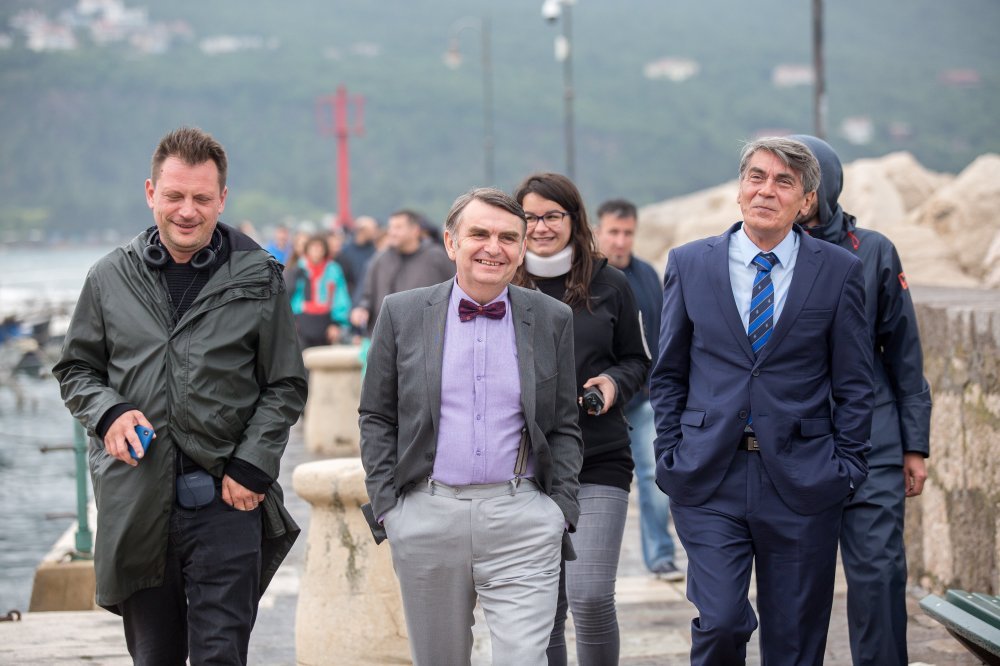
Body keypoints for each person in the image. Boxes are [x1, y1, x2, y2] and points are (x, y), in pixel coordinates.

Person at [53, 127, 308, 665]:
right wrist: (109, 412)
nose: (187, 211)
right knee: (154, 657)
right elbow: (76, 368)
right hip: (137, 497)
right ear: (151, 193)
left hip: (227, 498)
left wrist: (254, 463)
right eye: (174, 196)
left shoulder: (259, 276)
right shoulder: (108, 276)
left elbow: (285, 384)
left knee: (220, 655)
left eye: (201, 198)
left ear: (222, 199)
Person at [650, 136, 875, 665]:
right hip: (710, 474)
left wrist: (846, 468)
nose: (766, 190)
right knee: (721, 621)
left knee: (795, 643)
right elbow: (669, 372)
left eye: (783, 182)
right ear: (739, 188)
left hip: (803, 479)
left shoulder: (838, 270)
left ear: (806, 200)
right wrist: (671, 453)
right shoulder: (690, 263)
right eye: (756, 176)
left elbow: (854, 382)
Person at [359, 187, 583, 666]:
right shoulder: (401, 312)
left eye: (508, 237)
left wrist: (559, 510)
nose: (493, 248)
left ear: (522, 248)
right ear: (451, 242)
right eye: (479, 234)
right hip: (427, 517)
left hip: (522, 519)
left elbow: (564, 422)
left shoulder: (553, 318)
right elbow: (376, 414)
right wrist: (389, 509)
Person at [792, 134, 931, 666]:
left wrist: (914, 444)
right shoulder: (762, 254)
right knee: (799, 585)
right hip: (799, 444)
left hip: (875, 438)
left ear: (822, 187)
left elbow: (904, 352)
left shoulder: (873, 251)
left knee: (878, 574)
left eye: (799, 180)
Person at [512, 173, 651, 666]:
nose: (541, 227)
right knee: (542, 611)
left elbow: (638, 360)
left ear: (574, 219)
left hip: (599, 457)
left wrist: (613, 383)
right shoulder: (503, 280)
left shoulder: (609, 282)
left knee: (590, 597)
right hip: (523, 466)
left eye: (552, 216)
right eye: (530, 217)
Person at [594, 198, 682, 582]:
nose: (620, 240)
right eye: (613, 232)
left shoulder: (647, 274)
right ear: (598, 231)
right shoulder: (587, 276)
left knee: (655, 476)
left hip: (645, 396)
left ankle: (660, 555)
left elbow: (664, 331)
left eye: (627, 233)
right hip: (597, 400)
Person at [349, 208, 455, 336]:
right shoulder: (380, 259)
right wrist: (362, 308)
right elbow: (366, 293)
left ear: (415, 230)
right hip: (386, 335)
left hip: (426, 335)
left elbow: (454, 289)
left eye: (398, 227)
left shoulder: (436, 257)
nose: (392, 232)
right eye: (391, 227)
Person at [290, 233, 352, 348]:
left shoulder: (333, 269)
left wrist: (337, 323)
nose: (316, 251)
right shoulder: (298, 269)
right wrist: (293, 319)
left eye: (319, 248)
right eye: (313, 247)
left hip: (326, 322)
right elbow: (291, 295)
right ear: (307, 250)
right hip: (302, 321)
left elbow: (340, 297)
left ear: (325, 250)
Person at [337, 215, 380, 300]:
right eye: (373, 230)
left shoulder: (374, 250)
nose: (376, 233)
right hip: (350, 297)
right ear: (362, 230)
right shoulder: (345, 252)